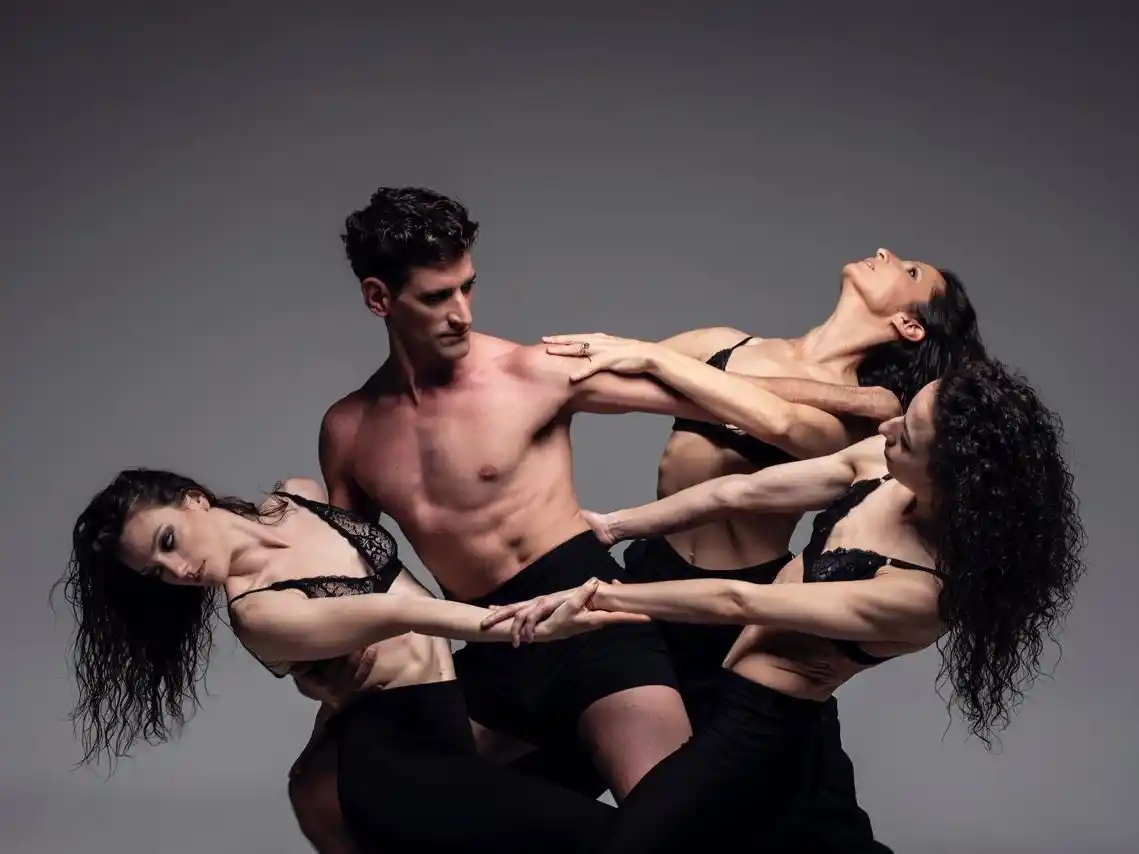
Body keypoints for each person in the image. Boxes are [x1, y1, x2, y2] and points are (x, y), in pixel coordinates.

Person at [294, 183, 898, 816]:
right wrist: (324, 665)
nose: (462, 314)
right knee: (326, 788)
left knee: (674, 823)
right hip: (493, 642)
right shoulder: (348, 431)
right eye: (437, 297)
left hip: (592, 623)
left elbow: (764, 415)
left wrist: (871, 403)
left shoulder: (532, 371)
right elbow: (352, 579)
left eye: (467, 287)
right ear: (377, 298)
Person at [484, 357, 1087, 853]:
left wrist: (601, 595)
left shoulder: (922, 593)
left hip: (761, 730)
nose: (885, 429)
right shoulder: (877, 470)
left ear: (951, 476)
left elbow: (737, 598)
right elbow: (737, 491)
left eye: (907, 434)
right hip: (727, 696)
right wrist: (614, 526)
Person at [531, 247, 985, 850]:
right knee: (548, 756)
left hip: (746, 611)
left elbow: (783, 424)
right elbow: (600, 380)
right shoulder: (727, 345)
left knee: (797, 818)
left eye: (909, 271)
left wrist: (655, 360)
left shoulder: (875, 422)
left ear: (909, 324)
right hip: (654, 577)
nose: (885, 254)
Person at [55, 470, 633, 854]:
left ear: (193, 500)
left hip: (450, 728)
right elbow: (401, 614)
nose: (178, 570)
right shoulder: (256, 610)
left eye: (168, 541)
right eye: (157, 572)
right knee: (612, 838)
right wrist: (525, 622)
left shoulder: (297, 495)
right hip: (399, 766)